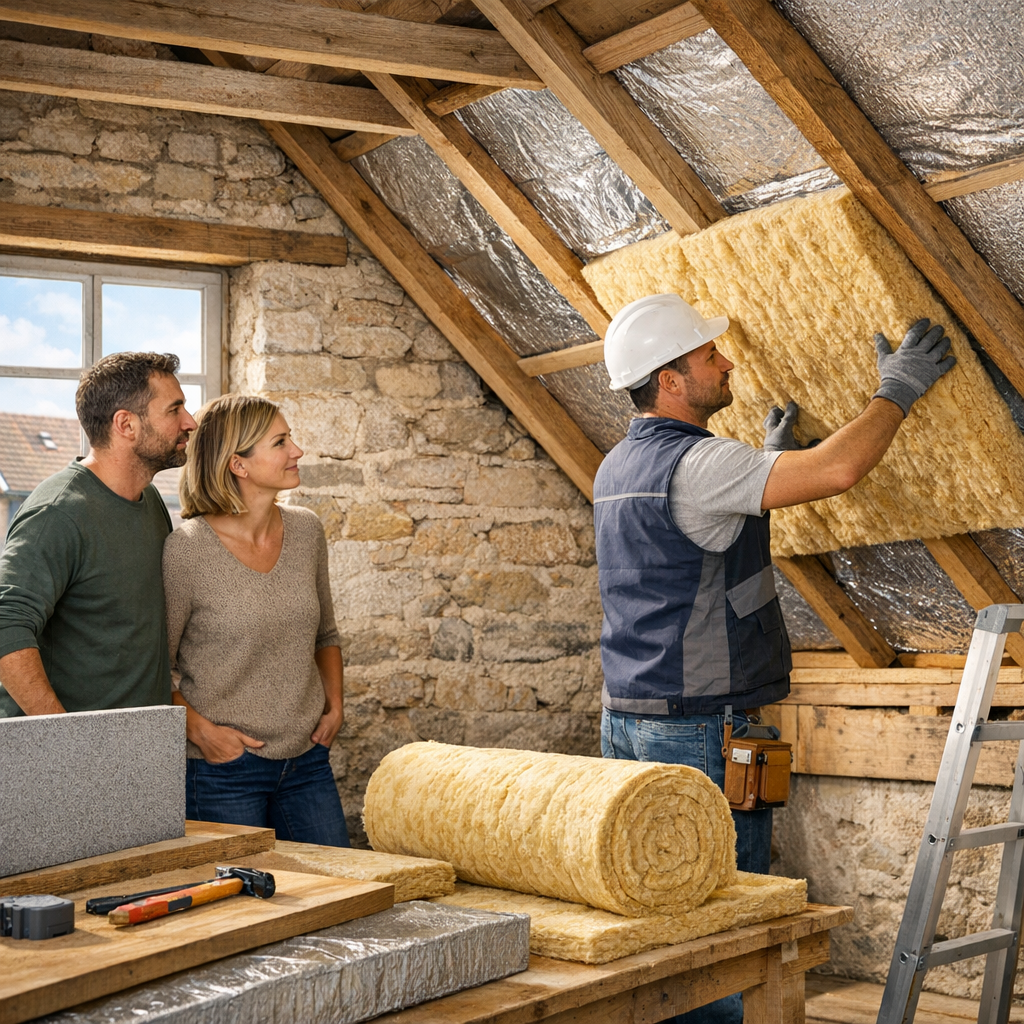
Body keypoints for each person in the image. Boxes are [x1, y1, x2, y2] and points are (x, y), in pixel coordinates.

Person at [593, 294, 954, 1023]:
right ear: (669, 379)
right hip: (702, 726)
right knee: (728, 922)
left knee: (661, 917)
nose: (725, 364)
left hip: (629, 716)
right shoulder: (701, 464)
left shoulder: (618, 465)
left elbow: (692, 542)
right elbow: (838, 469)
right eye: (707, 358)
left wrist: (761, 463)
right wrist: (898, 388)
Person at [164, 394, 348, 846]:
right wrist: (204, 735)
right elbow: (154, 668)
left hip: (307, 762)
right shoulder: (186, 550)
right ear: (238, 465)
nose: (297, 451)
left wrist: (335, 707)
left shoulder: (306, 530)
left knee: (338, 893)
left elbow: (325, 632)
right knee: (240, 906)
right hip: (223, 770)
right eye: (280, 442)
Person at [0, 352, 196, 717]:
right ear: (126, 425)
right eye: (175, 409)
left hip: (142, 746)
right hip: (71, 757)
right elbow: (6, 624)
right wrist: (64, 737)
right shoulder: (58, 513)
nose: (191, 422)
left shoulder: (148, 500)